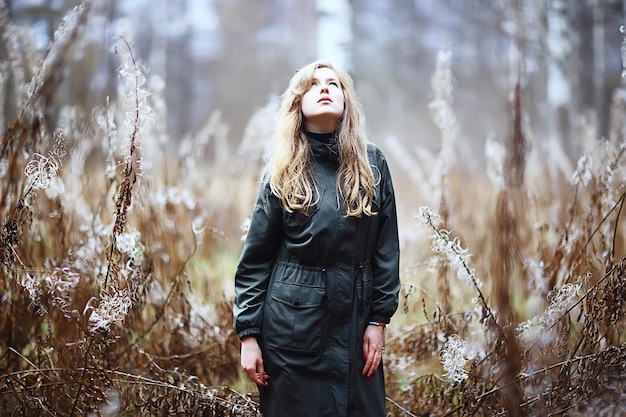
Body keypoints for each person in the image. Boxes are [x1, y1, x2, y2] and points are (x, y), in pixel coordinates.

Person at [233, 60, 400, 417]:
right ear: (298, 102)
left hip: (356, 327)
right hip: (292, 332)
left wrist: (378, 320)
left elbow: (386, 250)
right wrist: (249, 336)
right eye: (313, 84)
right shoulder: (281, 169)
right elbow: (256, 260)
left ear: (346, 101)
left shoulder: (373, 163)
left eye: (333, 83)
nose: (324, 88)